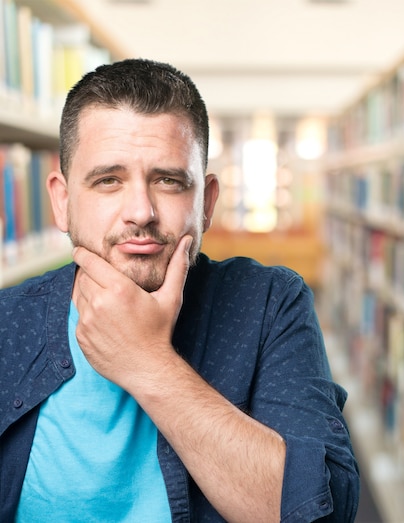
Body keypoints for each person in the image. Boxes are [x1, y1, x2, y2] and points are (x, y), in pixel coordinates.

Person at [0, 58, 359, 522]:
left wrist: (149, 363)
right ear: (63, 202)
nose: (141, 211)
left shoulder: (271, 302)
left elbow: (320, 512)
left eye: (168, 181)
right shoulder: (8, 322)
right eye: (108, 180)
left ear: (206, 202)